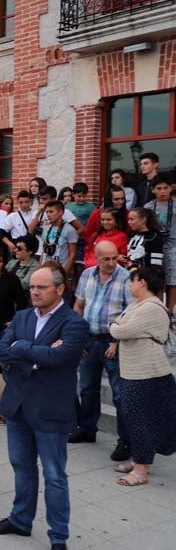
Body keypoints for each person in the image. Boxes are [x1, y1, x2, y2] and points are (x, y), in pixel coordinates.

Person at [0, 267, 88, 550]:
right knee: (21, 466)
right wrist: (37, 351)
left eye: (41, 287)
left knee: (55, 476)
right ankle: (20, 520)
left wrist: (24, 349)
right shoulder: (22, 317)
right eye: (32, 286)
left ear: (60, 289)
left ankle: (59, 538)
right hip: (18, 407)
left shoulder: (74, 323)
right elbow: (3, 352)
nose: (34, 292)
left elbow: (59, 358)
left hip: (50, 410)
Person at [109, 267, 176, 487]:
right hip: (133, 371)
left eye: (132, 281)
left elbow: (120, 330)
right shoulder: (137, 305)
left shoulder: (153, 308)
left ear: (143, 283)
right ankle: (141, 461)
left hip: (148, 373)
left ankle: (141, 470)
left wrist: (118, 326)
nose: (130, 285)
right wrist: (120, 325)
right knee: (134, 419)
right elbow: (120, 323)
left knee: (139, 420)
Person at [70, 240, 133, 459]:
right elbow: (79, 305)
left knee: (118, 393)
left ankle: (125, 441)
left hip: (112, 341)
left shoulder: (125, 277)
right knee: (87, 387)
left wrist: (116, 341)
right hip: (88, 339)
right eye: (106, 259)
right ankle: (87, 429)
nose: (111, 263)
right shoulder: (87, 275)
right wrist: (77, 338)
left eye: (114, 258)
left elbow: (130, 312)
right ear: (96, 258)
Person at [144, 174, 176, 312]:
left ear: (171, 188)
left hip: (173, 247)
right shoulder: (148, 207)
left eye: (165, 188)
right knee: (156, 279)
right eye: (159, 188)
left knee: (172, 280)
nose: (162, 191)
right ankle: (157, 309)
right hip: (154, 246)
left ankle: (169, 310)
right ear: (153, 190)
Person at [38, 201, 78, 278]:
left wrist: (65, 273)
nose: (48, 215)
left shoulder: (70, 230)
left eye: (51, 212)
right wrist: (40, 267)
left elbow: (73, 254)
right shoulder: (46, 228)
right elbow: (44, 250)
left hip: (60, 269)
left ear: (61, 212)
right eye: (47, 212)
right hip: (46, 269)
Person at [125, 207, 165, 272]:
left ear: (143, 219)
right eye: (128, 219)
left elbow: (156, 264)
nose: (129, 222)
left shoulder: (154, 237)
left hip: (144, 277)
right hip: (128, 274)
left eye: (132, 219)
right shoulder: (131, 235)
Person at [7, 235, 40, 301]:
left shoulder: (35, 266)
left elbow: (24, 285)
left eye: (19, 248)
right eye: (16, 247)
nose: (15, 250)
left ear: (30, 251)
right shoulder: (12, 262)